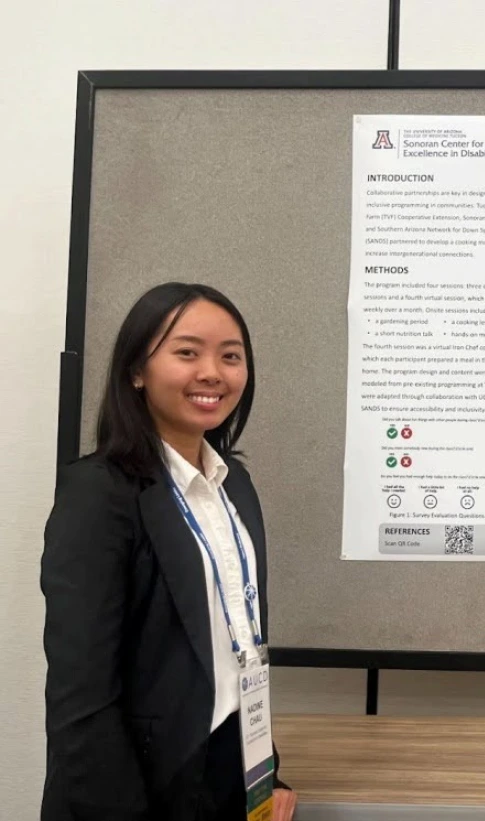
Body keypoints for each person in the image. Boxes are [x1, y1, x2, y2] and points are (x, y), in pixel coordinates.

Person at [40, 283, 295, 821]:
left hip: (230, 771)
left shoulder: (234, 484)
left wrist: (265, 774)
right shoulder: (100, 493)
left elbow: (240, 646)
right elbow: (82, 697)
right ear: (137, 370)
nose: (213, 373)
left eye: (231, 356)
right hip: (136, 788)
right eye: (187, 352)